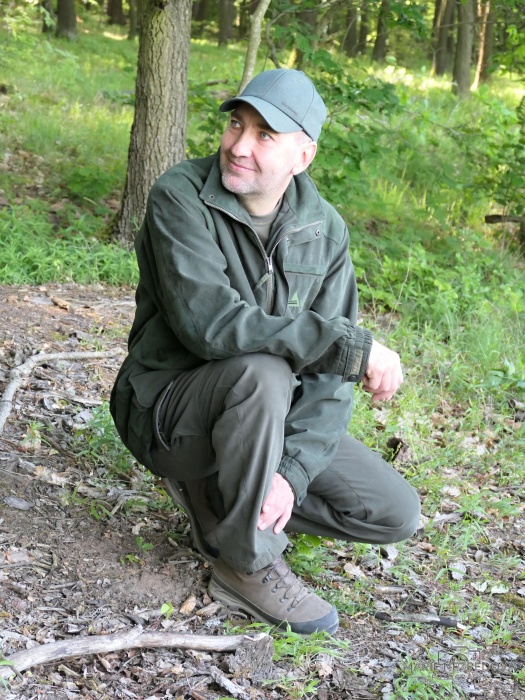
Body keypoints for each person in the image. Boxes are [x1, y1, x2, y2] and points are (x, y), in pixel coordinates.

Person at [110, 68, 421, 636]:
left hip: (266, 421)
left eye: (264, 135)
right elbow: (211, 326)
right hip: (166, 410)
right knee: (264, 371)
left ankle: (227, 496)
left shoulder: (325, 230)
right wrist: (346, 346)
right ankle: (244, 562)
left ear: (303, 156)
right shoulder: (180, 196)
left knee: (391, 511)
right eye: (236, 124)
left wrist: (290, 473)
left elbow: (328, 384)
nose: (239, 145)